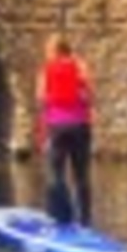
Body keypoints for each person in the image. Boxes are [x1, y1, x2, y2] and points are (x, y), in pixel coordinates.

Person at [37, 34, 94, 226]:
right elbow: (89, 94)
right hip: (80, 126)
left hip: (57, 126)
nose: (46, 54)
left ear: (55, 50)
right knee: (81, 176)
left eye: (47, 50)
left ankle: (63, 216)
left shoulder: (46, 69)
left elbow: (41, 97)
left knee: (56, 174)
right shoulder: (80, 66)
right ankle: (85, 220)